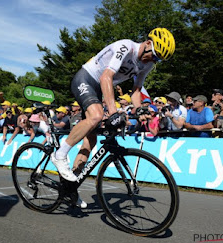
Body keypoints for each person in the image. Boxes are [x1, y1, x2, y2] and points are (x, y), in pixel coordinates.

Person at [50, 27, 176, 208]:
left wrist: (139, 109)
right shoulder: (126, 47)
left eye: (158, 60)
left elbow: (136, 90)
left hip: (100, 88)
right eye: (155, 55)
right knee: (97, 116)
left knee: (90, 141)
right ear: (148, 43)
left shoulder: (147, 64)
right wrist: (114, 111)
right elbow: (106, 77)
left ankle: (70, 187)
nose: (154, 60)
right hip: (86, 79)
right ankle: (59, 155)